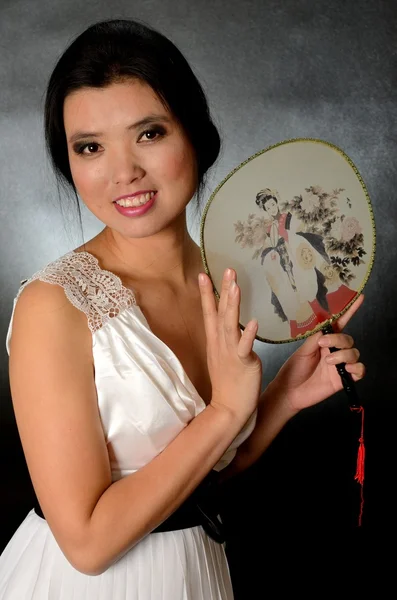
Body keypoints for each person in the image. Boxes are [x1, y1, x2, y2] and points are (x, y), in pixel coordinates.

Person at [0, 18, 365, 600]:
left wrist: (284, 397)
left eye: (148, 133)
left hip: (195, 573)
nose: (123, 172)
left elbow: (204, 471)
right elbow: (88, 544)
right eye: (89, 147)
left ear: (195, 134)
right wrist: (223, 412)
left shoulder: (230, 281)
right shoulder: (55, 305)